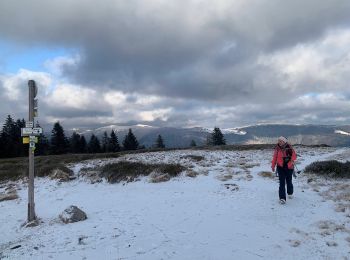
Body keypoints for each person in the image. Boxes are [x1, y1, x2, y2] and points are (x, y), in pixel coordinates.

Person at [271, 136, 297, 204]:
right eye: (279, 140)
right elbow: (274, 158)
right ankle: (282, 198)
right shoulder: (277, 149)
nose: (279, 142)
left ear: (284, 141)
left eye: (281, 141)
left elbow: (294, 156)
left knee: (289, 181)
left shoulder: (290, 148)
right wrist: (273, 166)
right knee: (282, 183)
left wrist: (289, 158)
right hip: (280, 167)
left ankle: (290, 192)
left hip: (289, 167)